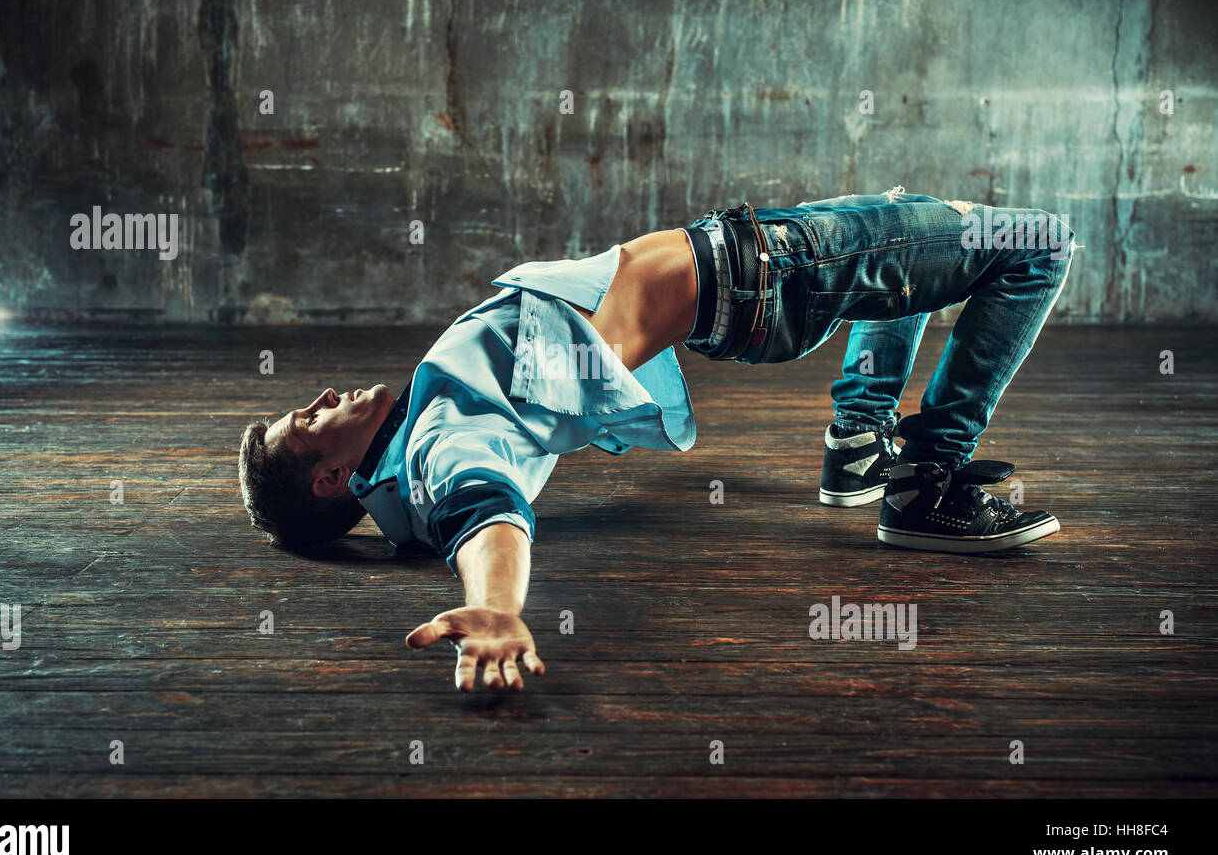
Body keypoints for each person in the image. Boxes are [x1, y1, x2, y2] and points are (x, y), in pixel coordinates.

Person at [238, 187, 1075, 691]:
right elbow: (486, 517)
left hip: (748, 271)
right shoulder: (441, 448)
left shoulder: (421, 442)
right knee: (1036, 245)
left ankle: (859, 446)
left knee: (906, 218)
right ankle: (927, 480)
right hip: (763, 272)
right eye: (305, 423)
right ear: (331, 480)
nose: (319, 399)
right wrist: (496, 609)